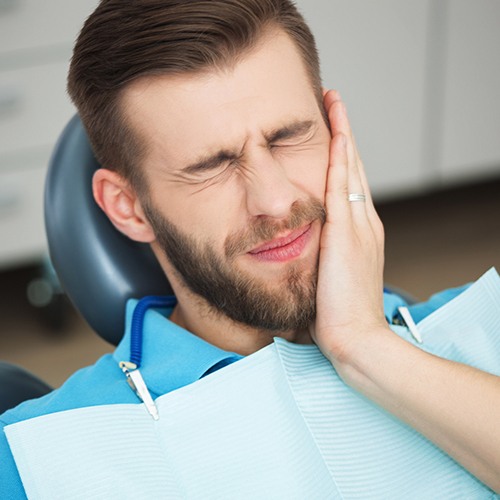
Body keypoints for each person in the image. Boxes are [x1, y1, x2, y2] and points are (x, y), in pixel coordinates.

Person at [1, 0, 499, 496]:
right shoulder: (40, 456)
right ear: (129, 207)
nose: (277, 200)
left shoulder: (478, 327)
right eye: (212, 165)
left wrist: (366, 347)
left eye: (288, 137)